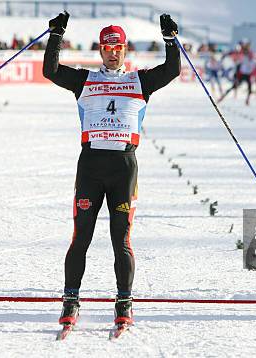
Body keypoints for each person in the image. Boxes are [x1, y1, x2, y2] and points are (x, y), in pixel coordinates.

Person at [43, 11, 180, 329]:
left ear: (125, 49)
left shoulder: (140, 81)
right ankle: (71, 299)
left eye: (118, 47)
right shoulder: (84, 80)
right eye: (108, 47)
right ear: (101, 50)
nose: (113, 52)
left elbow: (172, 70)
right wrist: (56, 35)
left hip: (123, 168)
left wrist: (170, 40)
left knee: (122, 239)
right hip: (91, 167)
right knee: (81, 238)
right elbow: (50, 71)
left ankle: (124, 302)